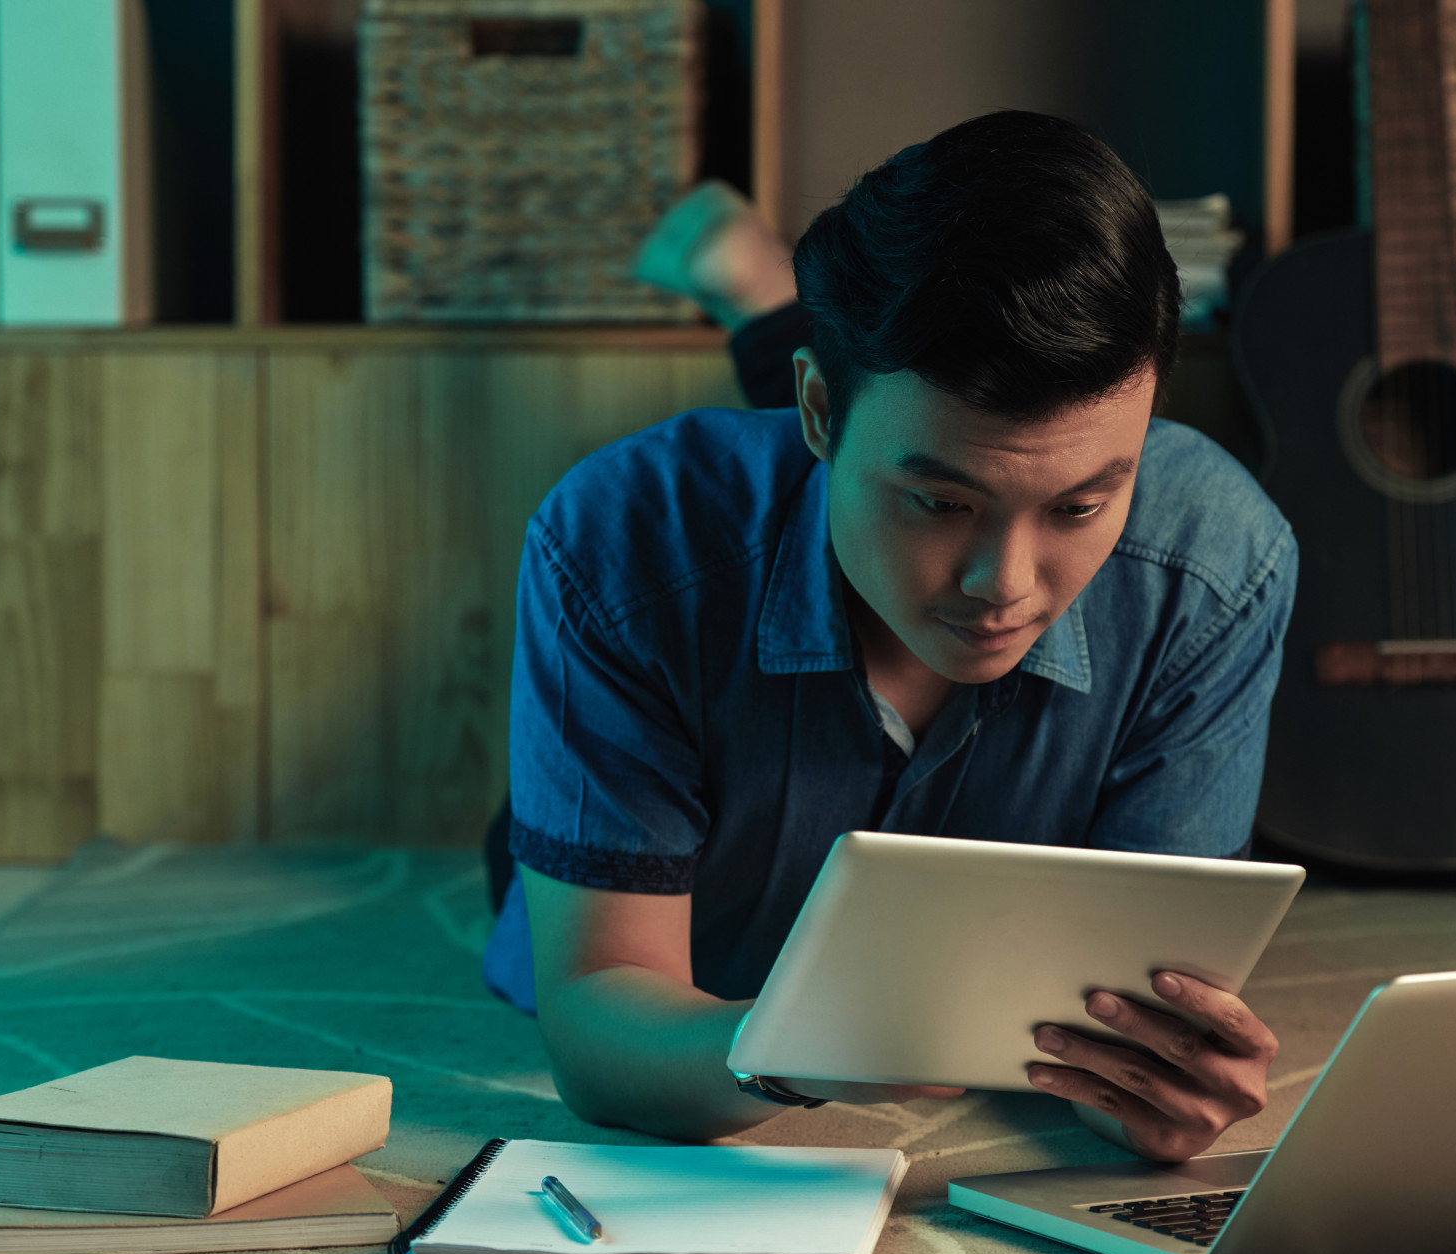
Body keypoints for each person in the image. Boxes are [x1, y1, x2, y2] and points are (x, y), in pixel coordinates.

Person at [482, 111, 1296, 1159]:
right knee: (758, 520)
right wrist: (790, 1047)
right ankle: (759, 297)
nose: (999, 586)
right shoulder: (614, 545)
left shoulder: (1215, 562)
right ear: (815, 410)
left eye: (1079, 507)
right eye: (939, 505)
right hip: (665, 852)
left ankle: (769, 302)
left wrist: (1155, 1089)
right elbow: (597, 1024)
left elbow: (1138, 1025)